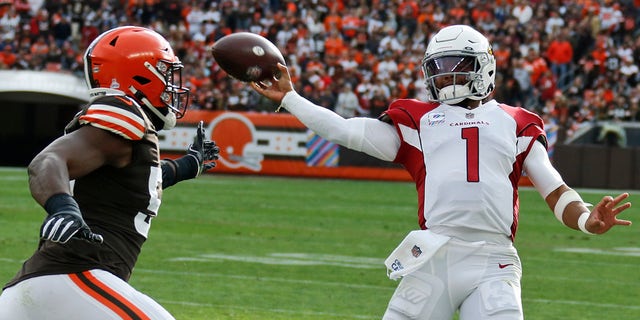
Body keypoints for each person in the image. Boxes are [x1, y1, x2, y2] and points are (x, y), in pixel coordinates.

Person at [251, 25, 633, 320]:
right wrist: (291, 98)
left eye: (457, 66)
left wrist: (586, 219)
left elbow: (554, 188)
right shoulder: (420, 119)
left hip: (493, 261)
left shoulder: (516, 122)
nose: (447, 76)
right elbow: (347, 130)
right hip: (435, 254)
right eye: (440, 68)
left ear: (483, 66)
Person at [0, 26, 219, 319]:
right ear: (139, 75)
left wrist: (187, 165)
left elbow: (141, 182)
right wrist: (62, 208)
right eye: (165, 73)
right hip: (69, 279)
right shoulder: (121, 110)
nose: (171, 85)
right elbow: (48, 160)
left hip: (54, 287)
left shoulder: (124, 133)